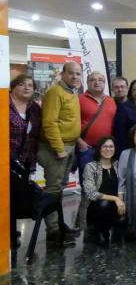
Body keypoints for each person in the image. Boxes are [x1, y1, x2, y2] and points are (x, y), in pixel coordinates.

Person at [37, 61, 82, 244]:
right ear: (62, 74)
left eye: (78, 74)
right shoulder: (55, 92)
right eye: (71, 73)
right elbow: (49, 122)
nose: (75, 77)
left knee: (60, 188)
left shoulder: (71, 91)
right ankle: (53, 230)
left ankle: (59, 224)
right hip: (57, 148)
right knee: (53, 189)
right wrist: (59, 148)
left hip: (69, 146)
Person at [75, 72, 118, 230]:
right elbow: (72, 123)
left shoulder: (111, 101)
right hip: (88, 149)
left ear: (105, 83)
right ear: (87, 83)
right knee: (88, 187)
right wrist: (79, 141)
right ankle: (86, 223)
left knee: (105, 185)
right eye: (93, 80)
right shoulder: (79, 100)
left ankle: (104, 219)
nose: (97, 82)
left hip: (107, 151)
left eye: (100, 80)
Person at [82, 136, 125, 246]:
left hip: (115, 205)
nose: (108, 149)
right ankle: (97, 232)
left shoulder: (117, 165)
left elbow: (123, 186)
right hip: (97, 207)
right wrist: (115, 199)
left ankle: (117, 231)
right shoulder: (91, 167)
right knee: (104, 204)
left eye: (111, 146)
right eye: (105, 146)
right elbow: (91, 193)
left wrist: (121, 201)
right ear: (99, 149)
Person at [10, 74, 41, 172]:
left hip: (26, 160)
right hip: (4, 159)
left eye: (30, 85)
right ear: (13, 87)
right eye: (21, 84)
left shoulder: (34, 107)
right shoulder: (2, 103)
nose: (27, 88)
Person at [114, 79, 136, 153]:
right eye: (134, 90)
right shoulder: (124, 108)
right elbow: (120, 134)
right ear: (130, 92)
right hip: (131, 148)